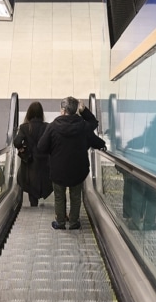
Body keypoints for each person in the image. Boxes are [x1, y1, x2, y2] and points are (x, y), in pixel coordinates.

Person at [37, 96, 106, 230]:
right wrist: (84, 110)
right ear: (75, 110)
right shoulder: (84, 126)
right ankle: (74, 222)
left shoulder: (53, 127)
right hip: (78, 170)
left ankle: (60, 222)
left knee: (59, 196)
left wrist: (53, 150)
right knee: (75, 197)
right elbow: (94, 123)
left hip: (58, 169)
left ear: (63, 110)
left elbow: (41, 147)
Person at [13, 101, 52, 207]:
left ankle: (33, 206)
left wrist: (21, 149)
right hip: (45, 162)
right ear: (41, 113)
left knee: (31, 184)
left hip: (30, 162)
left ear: (29, 113)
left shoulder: (24, 127)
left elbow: (16, 142)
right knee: (44, 182)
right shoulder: (47, 127)